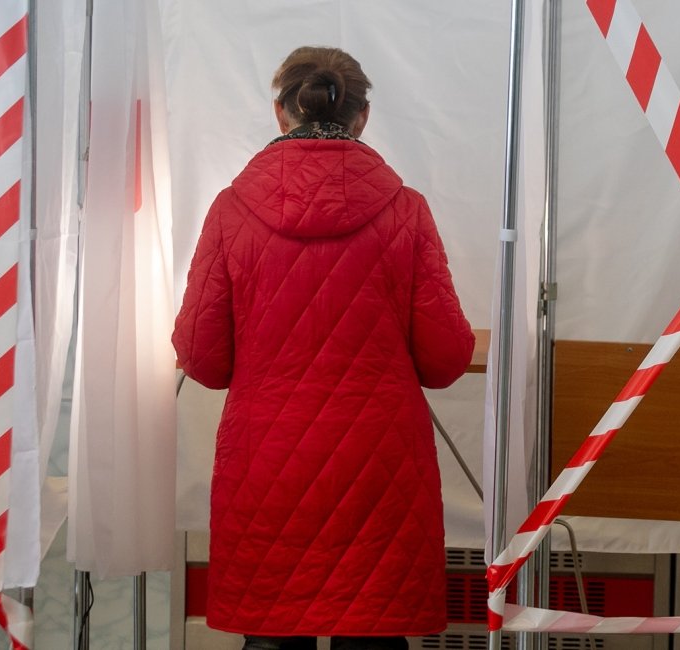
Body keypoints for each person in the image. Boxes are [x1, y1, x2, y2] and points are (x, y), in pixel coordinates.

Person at [173, 46, 475, 650]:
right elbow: (445, 360)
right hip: (378, 467)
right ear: (362, 116)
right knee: (374, 631)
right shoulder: (406, 209)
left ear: (281, 113)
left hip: (269, 462)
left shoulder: (232, 210)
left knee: (274, 632)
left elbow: (203, 359)